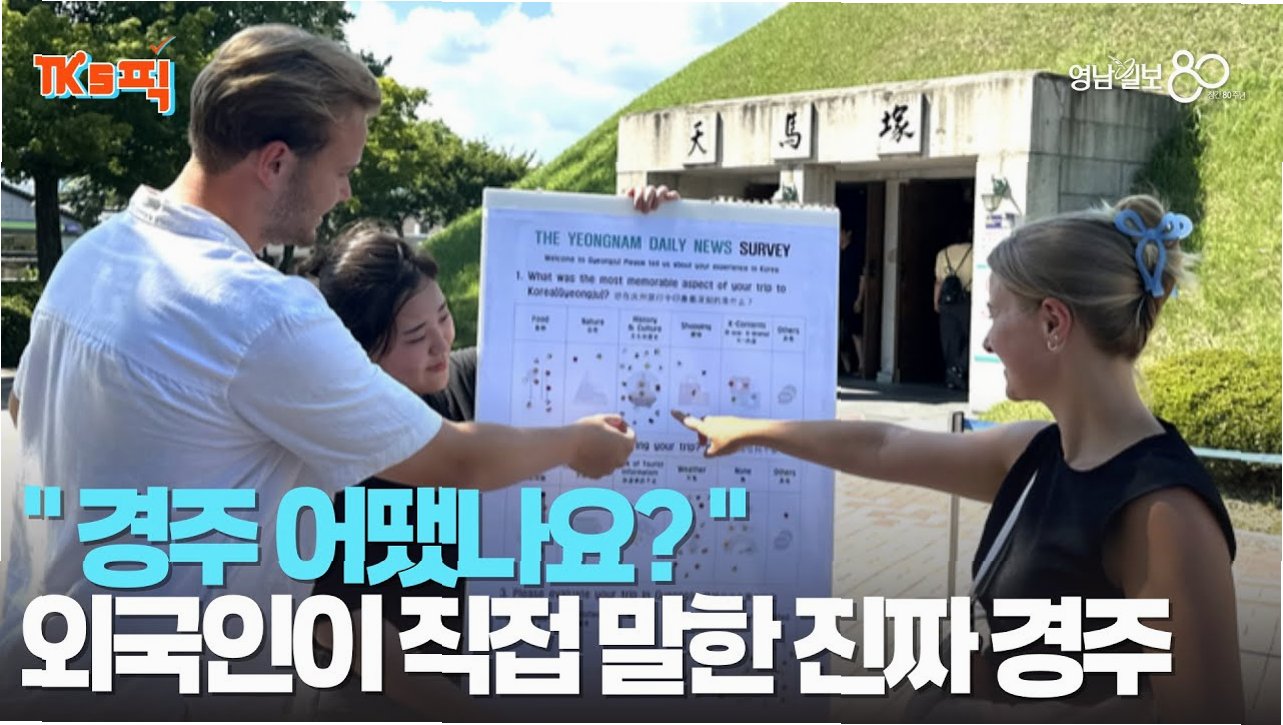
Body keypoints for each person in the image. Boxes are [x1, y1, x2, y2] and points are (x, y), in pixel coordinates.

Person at [1, 25, 639, 719]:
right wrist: (576, 444)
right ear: (276, 162)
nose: (345, 192)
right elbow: (453, 460)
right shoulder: (258, 312)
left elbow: (23, 411)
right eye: (341, 169)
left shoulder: (95, 257)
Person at [673, 195, 1241, 723]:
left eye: (994, 313)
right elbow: (883, 446)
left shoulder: (1165, 512)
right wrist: (749, 431)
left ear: (1053, 322)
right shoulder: (1036, 454)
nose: (986, 341)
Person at [935, 237, 973, 390]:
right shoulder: (974, 251)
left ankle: (952, 377)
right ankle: (959, 368)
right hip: (966, 300)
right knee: (972, 338)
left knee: (950, 341)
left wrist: (936, 302)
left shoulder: (942, 254)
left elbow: (939, 282)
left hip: (947, 301)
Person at [838, 222, 868, 378]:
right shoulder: (835, 253)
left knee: (855, 331)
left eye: (840, 232)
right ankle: (846, 367)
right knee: (839, 332)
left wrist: (859, 299)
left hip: (851, 296)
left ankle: (862, 365)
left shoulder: (855, 253)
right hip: (837, 297)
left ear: (848, 233)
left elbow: (863, 277)